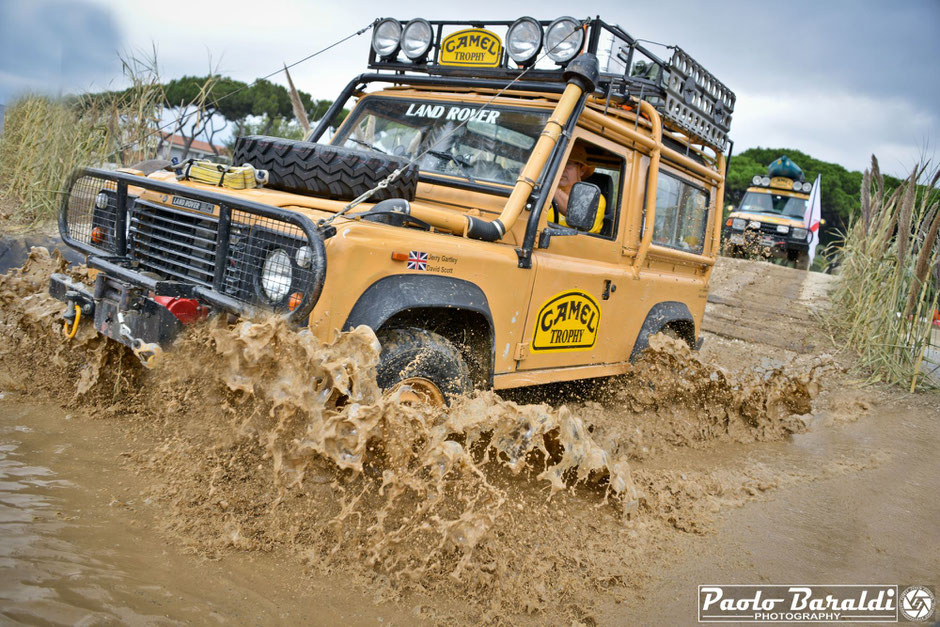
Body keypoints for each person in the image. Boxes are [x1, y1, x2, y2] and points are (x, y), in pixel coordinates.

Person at [551, 142, 605, 234]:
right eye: (558, 163)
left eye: (567, 163)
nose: (561, 169)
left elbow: (580, 221)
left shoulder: (595, 198)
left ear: (582, 170)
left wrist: (549, 185)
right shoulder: (543, 193)